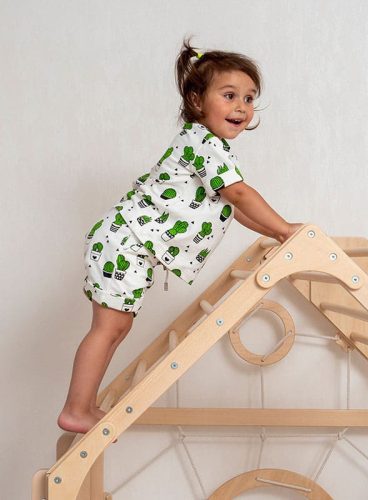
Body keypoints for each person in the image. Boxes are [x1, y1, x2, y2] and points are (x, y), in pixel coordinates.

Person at [58, 39, 303, 434]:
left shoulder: (211, 148)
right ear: (195, 99)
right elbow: (240, 194)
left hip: (126, 244)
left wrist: (278, 234)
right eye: (229, 95)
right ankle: (76, 408)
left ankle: (82, 406)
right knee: (107, 329)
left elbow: (234, 208)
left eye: (250, 98)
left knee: (117, 328)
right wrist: (286, 228)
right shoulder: (202, 143)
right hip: (124, 241)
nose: (241, 106)